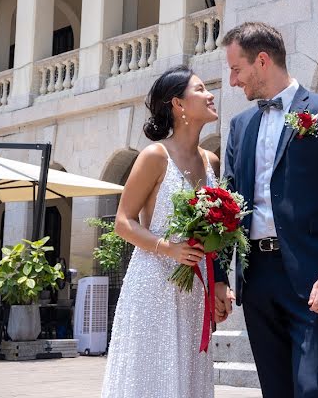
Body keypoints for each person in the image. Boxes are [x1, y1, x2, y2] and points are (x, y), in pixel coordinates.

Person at [215, 22, 318, 398]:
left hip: (313, 274)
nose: (233, 81)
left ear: (262, 61)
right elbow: (228, 205)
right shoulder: (239, 126)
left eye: (236, 69)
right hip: (257, 280)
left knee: (312, 388)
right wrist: (220, 274)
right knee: (276, 391)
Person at [101, 65, 219, 398]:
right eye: (200, 89)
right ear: (177, 104)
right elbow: (123, 221)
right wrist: (168, 248)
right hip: (154, 283)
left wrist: (220, 283)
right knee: (153, 376)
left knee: (189, 377)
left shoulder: (213, 161)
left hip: (196, 288)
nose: (210, 94)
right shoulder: (155, 156)